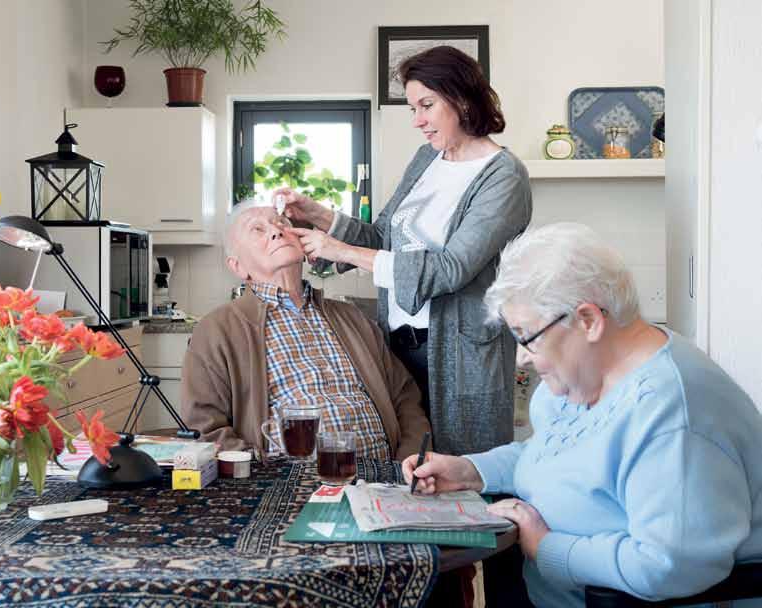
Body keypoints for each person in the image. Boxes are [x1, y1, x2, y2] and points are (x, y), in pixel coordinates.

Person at [403, 223, 762, 607]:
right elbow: (552, 453)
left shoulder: (673, 414)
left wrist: (547, 547)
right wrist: (470, 470)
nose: (522, 356)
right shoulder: (585, 376)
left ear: (588, 320)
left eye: (527, 336)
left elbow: (669, 565)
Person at [279, 45, 532, 458]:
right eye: (413, 108)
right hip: (398, 346)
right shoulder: (426, 159)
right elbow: (382, 237)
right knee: (405, 467)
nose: (418, 121)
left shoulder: (503, 176)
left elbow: (451, 269)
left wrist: (339, 249)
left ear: (462, 99)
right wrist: (320, 216)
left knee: (461, 473)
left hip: (459, 354)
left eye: (426, 105)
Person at [181, 203, 431, 461]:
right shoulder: (217, 330)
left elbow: (405, 398)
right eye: (257, 229)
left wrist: (408, 460)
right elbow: (206, 429)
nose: (276, 231)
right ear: (238, 267)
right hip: (286, 485)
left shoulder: (352, 317)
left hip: (382, 479)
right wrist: (261, 475)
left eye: (281, 223)